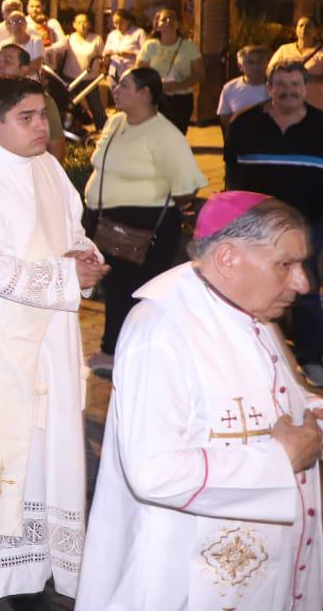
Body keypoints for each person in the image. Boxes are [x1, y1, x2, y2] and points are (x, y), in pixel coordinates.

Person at [77, 193, 323, 610]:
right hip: (190, 575)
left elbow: (284, 393)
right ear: (228, 258)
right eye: (286, 265)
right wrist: (280, 457)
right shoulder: (162, 330)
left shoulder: (250, 310)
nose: (303, 284)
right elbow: (153, 472)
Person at [0, 77, 108, 603]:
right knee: (14, 450)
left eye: (43, 115)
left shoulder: (50, 167)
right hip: (4, 339)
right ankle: (11, 567)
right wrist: (64, 279)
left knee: (54, 441)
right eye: (28, 117)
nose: (42, 127)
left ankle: (56, 553)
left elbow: (71, 228)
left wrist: (84, 255)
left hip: (53, 334)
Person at [83, 66, 207, 372]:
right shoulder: (115, 121)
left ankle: (122, 354)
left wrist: (152, 202)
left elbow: (187, 187)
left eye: (124, 86)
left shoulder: (165, 134)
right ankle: (115, 351)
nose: (116, 90)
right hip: (107, 221)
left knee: (133, 292)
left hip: (143, 226)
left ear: (146, 93)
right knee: (115, 289)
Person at [224, 61, 323, 384]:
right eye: (280, 84)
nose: (288, 91)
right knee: (253, 289)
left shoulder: (320, 127)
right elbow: (232, 178)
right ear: (269, 88)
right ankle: (254, 355)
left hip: (307, 225)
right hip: (258, 228)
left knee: (305, 290)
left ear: (305, 88)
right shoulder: (244, 125)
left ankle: (310, 358)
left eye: (295, 84)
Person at [137, 7, 204, 133]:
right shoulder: (150, 46)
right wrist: (158, 86)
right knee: (156, 133)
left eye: (171, 18)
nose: (168, 21)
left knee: (177, 134)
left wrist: (178, 86)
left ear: (178, 24)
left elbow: (199, 73)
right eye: (164, 19)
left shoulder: (188, 46)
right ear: (157, 26)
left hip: (181, 100)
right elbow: (140, 72)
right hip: (156, 98)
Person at [58, 11, 106, 129]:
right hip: (70, 79)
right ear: (74, 24)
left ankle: (103, 131)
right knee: (69, 107)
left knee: (96, 107)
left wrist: (102, 73)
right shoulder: (68, 39)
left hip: (90, 80)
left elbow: (103, 59)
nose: (82, 25)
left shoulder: (97, 39)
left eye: (85, 22)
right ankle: (69, 129)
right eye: (79, 22)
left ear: (89, 24)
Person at [268, 15, 323, 110]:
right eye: (301, 25)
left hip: (315, 104)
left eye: (308, 26)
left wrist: (308, 77)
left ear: (316, 31)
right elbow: (270, 71)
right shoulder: (284, 49)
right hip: (288, 103)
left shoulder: (320, 51)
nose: (304, 29)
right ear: (296, 29)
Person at [217, 44, 271, 130]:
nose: (255, 66)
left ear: (267, 63)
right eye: (250, 62)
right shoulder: (230, 88)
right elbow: (225, 118)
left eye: (260, 61)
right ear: (240, 66)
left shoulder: (278, 86)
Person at [103, 8, 145, 85]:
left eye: (121, 23)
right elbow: (104, 53)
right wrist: (107, 55)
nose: (118, 26)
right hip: (113, 72)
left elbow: (145, 53)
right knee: (115, 94)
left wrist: (131, 53)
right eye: (115, 23)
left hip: (131, 71)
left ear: (128, 21)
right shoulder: (112, 35)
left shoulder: (139, 32)